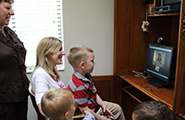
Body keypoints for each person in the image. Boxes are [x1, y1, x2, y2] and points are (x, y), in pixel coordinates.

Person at [67, 46, 125, 120]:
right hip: (88, 113)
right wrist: (101, 118)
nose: (94, 63)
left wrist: (103, 104)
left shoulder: (85, 76)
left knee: (117, 109)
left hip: (94, 106)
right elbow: (85, 111)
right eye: (92, 61)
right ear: (82, 65)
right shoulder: (78, 86)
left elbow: (93, 93)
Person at [0, 0, 30, 120]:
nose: (12, 13)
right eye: (7, 8)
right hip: (3, 101)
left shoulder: (8, 32)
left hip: (20, 96)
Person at [31, 37, 65, 117]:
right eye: (59, 50)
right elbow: (42, 108)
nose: (63, 53)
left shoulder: (51, 72)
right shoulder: (40, 75)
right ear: (48, 53)